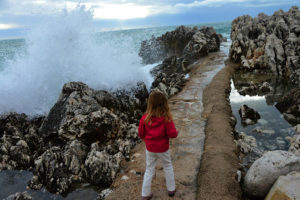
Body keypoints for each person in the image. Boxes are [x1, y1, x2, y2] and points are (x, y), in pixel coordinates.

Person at [138, 90, 178, 200]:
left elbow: (141, 134)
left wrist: (147, 139)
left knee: (149, 169)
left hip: (150, 148)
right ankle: (171, 189)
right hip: (163, 149)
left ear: (149, 104)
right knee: (167, 166)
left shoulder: (144, 118)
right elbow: (173, 134)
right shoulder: (166, 118)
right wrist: (176, 132)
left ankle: (145, 194)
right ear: (165, 104)